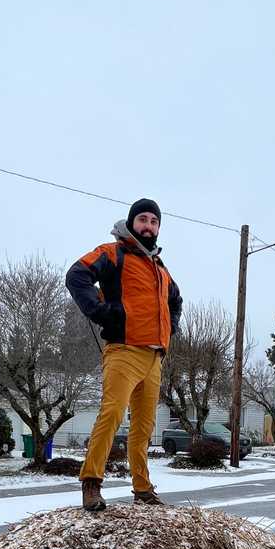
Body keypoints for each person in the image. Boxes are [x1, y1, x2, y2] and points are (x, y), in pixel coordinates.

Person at [66, 197, 182, 511]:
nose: (148, 226)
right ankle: (91, 482)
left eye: (154, 221)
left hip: (153, 357)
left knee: (144, 427)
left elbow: (176, 301)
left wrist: (170, 332)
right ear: (132, 223)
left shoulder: (160, 268)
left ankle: (142, 489)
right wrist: (100, 311)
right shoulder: (112, 253)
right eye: (143, 219)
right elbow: (77, 275)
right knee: (113, 413)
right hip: (124, 350)